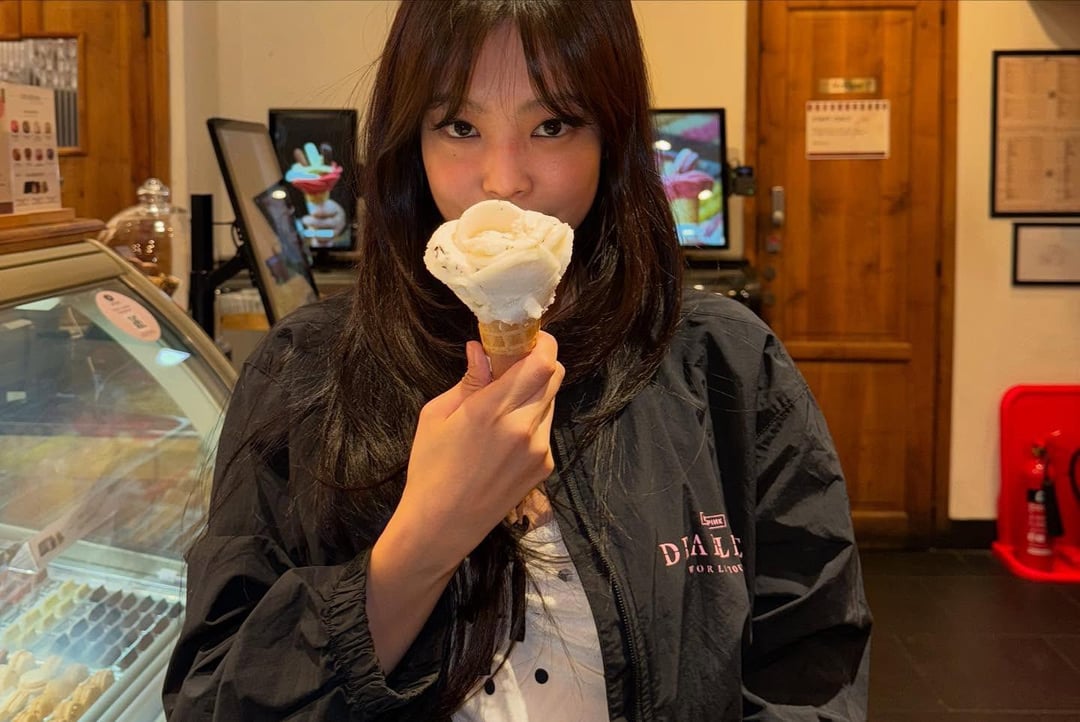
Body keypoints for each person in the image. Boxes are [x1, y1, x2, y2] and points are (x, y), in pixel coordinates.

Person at [163, 1, 872, 720]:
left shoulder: (725, 363)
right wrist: (426, 537)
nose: (503, 181)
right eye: (459, 126)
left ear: (612, 137)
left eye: (553, 125)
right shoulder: (305, 370)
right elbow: (216, 698)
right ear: (410, 140)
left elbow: (809, 668)